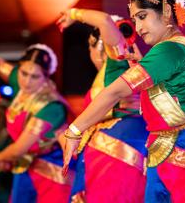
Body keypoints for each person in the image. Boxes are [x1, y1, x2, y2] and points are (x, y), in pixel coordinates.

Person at [62, 0, 185, 202]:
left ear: (166, 12)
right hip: (167, 153)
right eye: (135, 19)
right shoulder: (170, 49)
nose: (138, 27)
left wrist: (74, 131)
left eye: (142, 16)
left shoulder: (170, 49)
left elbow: (115, 93)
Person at [57, 10, 148, 202]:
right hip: (109, 143)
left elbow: (105, 21)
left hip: (119, 144)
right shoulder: (112, 71)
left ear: (97, 46)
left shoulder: (119, 59)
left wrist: (74, 14)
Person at [0, 44, 74, 203]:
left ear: (46, 77)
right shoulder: (19, 82)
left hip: (51, 171)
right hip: (25, 164)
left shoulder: (51, 107)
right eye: (23, 73)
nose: (26, 81)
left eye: (35, 77)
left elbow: (18, 150)